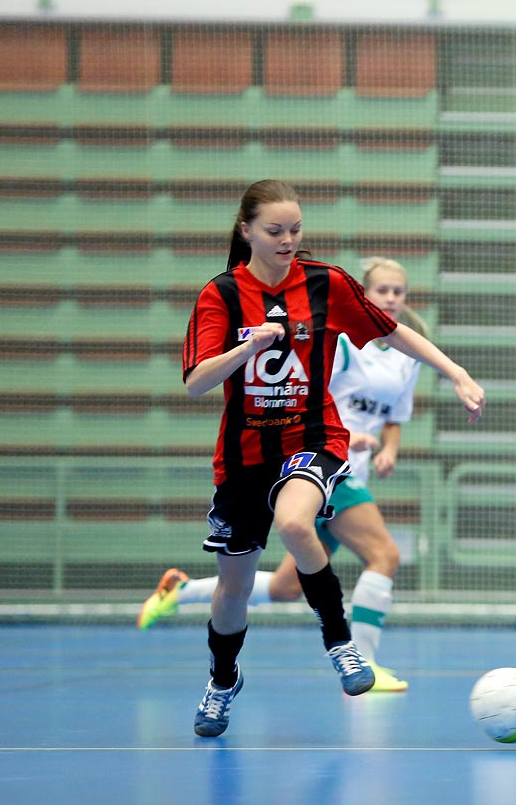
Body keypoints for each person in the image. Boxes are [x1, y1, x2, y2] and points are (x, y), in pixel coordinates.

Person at [179, 180, 485, 737]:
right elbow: (197, 381)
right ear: (246, 230)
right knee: (235, 591)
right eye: (275, 231)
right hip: (243, 458)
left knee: (297, 521)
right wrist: (247, 347)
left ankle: (341, 646)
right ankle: (223, 680)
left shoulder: (326, 282)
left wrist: (458, 372)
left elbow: (395, 335)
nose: (288, 240)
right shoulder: (219, 295)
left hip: (312, 437)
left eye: (296, 230)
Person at [138, 256, 426, 693]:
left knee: (289, 586)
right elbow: (310, 389)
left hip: (348, 468)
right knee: (384, 555)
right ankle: (363, 659)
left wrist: (388, 447)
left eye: (397, 292)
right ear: (363, 295)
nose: (390, 298)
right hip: (321, 462)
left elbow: (393, 417)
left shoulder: (406, 359)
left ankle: (180, 592)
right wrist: (350, 435)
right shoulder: (345, 341)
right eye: (381, 291)